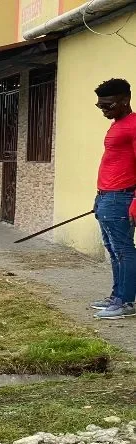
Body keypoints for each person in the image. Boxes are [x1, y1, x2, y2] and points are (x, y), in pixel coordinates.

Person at [91, 78, 136, 320]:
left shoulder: (133, 125)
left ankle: (126, 301)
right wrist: (99, 197)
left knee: (123, 250)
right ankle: (116, 296)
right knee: (112, 248)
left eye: (108, 105)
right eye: (100, 106)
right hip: (107, 196)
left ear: (125, 100)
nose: (104, 110)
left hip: (122, 197)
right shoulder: (118, 123)